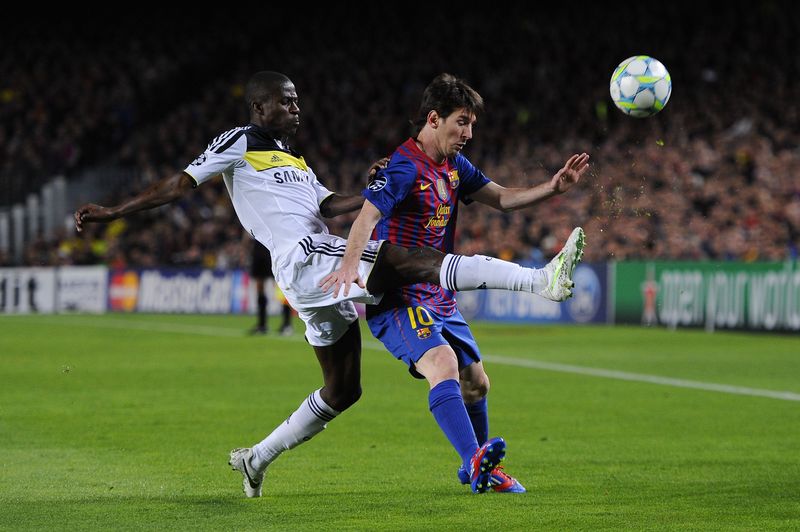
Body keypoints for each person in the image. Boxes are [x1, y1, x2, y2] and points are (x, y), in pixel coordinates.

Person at [75, 71, 585, 498]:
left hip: (313, 274)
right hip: (305, 259)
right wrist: (115, 211)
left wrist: (369, 184)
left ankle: (257, 458)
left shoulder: (294, 160)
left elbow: (327, 205)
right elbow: (182, 182)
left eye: (297, 101)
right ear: (259, 105)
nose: (296, 108)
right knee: (403, 261)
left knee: (344, 389)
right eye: (285, 101)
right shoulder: (239, 141)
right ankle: (538, 281)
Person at [322, 73, 590, 493]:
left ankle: (477, 467)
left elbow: (500, 197)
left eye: (471, 125)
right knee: (442, 364)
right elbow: (367, 216)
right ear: (433, 119)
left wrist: (553, 189)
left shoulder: (453, 166)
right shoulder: (404, 166)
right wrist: (348, 266)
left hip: (440, 295)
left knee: (477, 382)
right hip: (399, 296)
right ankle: (476, 464)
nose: (468, 133)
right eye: (461, 122)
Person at [248, 238, 293, 336]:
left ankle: (287, 324)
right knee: (259, 287)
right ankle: (262, 325)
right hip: (259, 245)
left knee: (280, 286)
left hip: (272, 245)